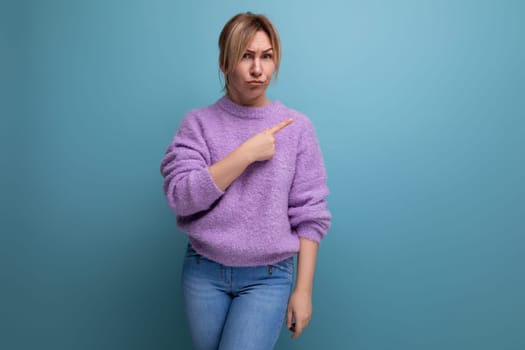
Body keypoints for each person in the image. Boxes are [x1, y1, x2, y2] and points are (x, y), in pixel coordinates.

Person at [160, 12, 331, 350]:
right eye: (246, 56)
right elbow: (180, 196)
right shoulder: (198, 124)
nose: (258, 69)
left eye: (267, 56)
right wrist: (244, 155)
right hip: (203, 272)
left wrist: (304, 291)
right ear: (225, 63)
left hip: (268, 277)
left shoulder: (296, 128)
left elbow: (310, 214)